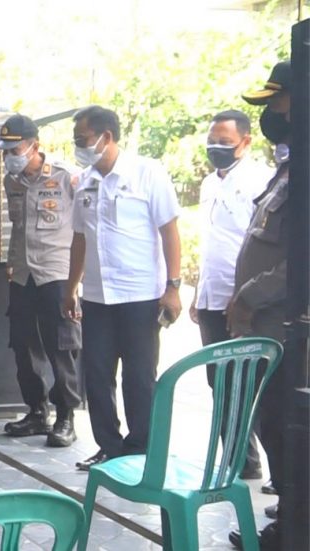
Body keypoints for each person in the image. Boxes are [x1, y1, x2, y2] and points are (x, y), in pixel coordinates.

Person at [62, 105, 182, 471]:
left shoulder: (148, 173)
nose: (78, 146)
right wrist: (71, 288)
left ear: (106, 137)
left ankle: (141, 447)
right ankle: (109, 447)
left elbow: (170, 231)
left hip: (140, 295)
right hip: (97, 297)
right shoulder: (84, 181)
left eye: (82, 139)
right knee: (96, 374)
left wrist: (173, 286)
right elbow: (80, 239)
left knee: (139, 375)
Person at [226, 60, 298, 551]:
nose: (271, 113)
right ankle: (293, 514)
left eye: (278, 101)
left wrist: (249, 297)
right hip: (268, 322)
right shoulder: (292, 166)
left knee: (284, 422)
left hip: (286, 324)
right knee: (274, 421)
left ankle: (293, 528)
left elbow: (302, 262)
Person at [189, 109, 273, 481]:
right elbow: (213, 243)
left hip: (244, 301)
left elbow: (258, 248)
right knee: (219, 383)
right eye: (212, 142)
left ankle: (270, 468)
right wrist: (197, 293)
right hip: (211, 296)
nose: (216, 148)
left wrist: (245, 297)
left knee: (251, 385)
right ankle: (239, 460)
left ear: (246, 142)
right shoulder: (210, 183)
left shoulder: (261, 181)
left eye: (225, 143)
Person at [0, 114, 82, 447]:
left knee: (61, 347)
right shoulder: (11, 182)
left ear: (35, 146)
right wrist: (10, 262)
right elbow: (18, 228)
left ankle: (66, 417)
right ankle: (36, 411)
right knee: (22, 345)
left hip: (56, 272)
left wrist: (77, 282)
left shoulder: (66, 178)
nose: (9, 156)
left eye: (15, 149)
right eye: (5, 151)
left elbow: (83, 232)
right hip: (21, 274)